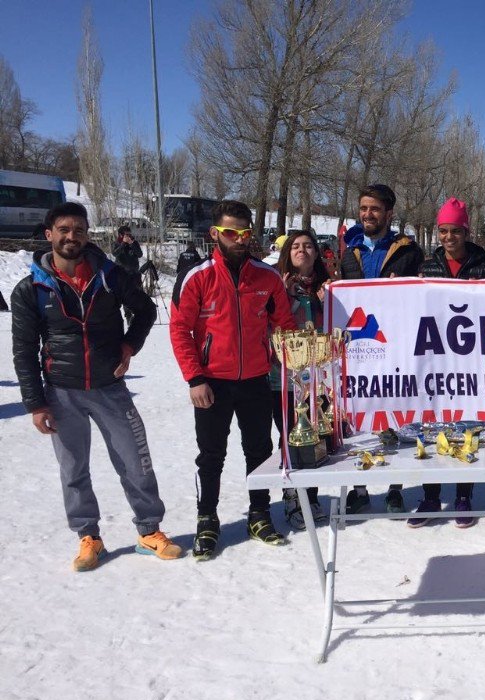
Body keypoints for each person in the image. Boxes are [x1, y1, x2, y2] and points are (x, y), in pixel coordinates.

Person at [11, 201, 181, 571]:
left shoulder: (111, 275)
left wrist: (129, 345)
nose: (72, 236)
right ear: (49, 234)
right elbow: (23, 350)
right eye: (64, 230)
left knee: (136, 461)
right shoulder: (32, 289)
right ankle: (88, 537)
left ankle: (149, 530)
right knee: (73, 469)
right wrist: (35, 404)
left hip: (110, 386)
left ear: (88, 234)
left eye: (79, 230)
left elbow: (146, 311)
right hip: (61, 391)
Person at [170, 199, 297, 559]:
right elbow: (180, 330)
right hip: (212, 381)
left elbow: (284, 325)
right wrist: (195, 378)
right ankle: (207, 519)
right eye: (230, 233)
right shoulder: (198, 277)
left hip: (256, 379)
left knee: (259, 451)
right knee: (211, 455)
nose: (239, 240)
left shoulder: (267, 276)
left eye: (245, 233)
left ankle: (259, 514)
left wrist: (289, 355)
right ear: (215, 234)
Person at [340, 184, 423, 515]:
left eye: (374, 209)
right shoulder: (349, 251)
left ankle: (395, 487)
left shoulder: (408, 251)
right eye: (363, 208)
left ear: (389, 214)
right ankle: (359, 488)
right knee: (358, 415)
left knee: (396, 416)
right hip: (359, 347)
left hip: (396, 347)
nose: (367, 215)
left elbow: (420, 294)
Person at [408, 197, 485, 529]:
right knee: (432, 425)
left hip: (470, 357)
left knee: (465, 426)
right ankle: (429, 495)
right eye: (443, 231)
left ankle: (463, 495)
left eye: (455, 231)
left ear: (466, 232)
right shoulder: (429, 265)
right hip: (434, 356)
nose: (448, 237)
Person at [270, 229, 330, 530]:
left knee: (313, 436)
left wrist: (325, 301)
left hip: (316, 377)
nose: (302, 250)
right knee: (289, 438)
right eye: (295, 246)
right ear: (286, 252)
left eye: (308, 245)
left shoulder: (324, 288)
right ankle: (292, 497)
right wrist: (284, 294)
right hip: (282, 376)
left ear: (316, 254)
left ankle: (312, 496)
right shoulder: (276, 284)